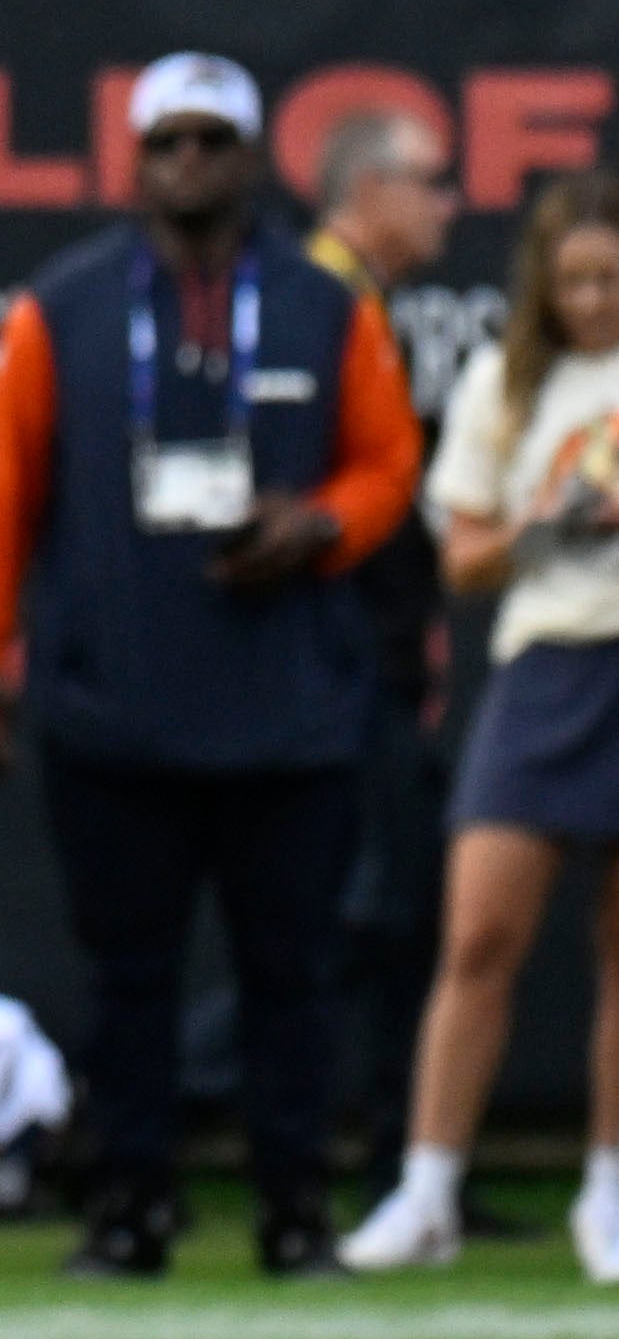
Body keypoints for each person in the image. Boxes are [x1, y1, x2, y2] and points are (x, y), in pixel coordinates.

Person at [0, 54, 428, 1279]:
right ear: (135, 160)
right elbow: (0, 489)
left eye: (212, 140)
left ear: (254, 157)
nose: (188, 162)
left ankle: (294, 1208)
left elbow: (388, 462)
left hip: (288, 702)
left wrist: (320, 524)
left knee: (291, 978)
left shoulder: (324, 304)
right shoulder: (63, 306)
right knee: (128, 979)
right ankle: (130, 1204)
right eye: (167, 141)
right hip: (114, 700)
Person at [352, 174, 619, 1277]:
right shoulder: (500, 388)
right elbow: (461, 559)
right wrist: (552, 525)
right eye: (572, 281)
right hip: (543, 665)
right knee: (476, 938)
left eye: (609, 279)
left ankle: (607, 1194)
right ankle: (426, 1191)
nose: (591, 300)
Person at [300, 108, 464, 1224]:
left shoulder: (352, 300)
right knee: (367, 912)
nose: (448, 204)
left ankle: (404, 1159)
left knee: (387, 912)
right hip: (335, 655)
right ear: (368, 189)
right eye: (428, 181)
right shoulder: (320, 302)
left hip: (369, 652)